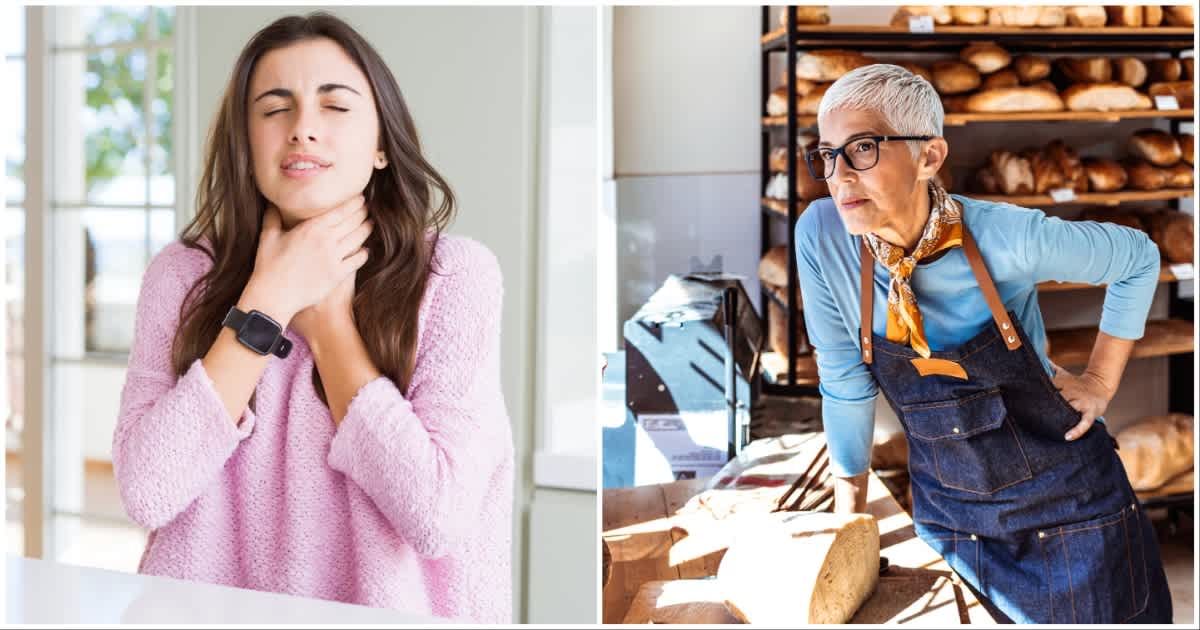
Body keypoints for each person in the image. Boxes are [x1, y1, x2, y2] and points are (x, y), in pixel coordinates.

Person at [112, 12, 512, 623]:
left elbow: (437, 513)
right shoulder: (182, 275)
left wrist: (329, 327)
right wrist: (268, 300)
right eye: (275, 109)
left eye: (335, 106)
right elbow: (148, 490)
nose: (302, 130)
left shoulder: (454, 278)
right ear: (246, 143)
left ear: (381, 143)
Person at [794, 63, 1172, 623]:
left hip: (1071, 521)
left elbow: (1137, 258)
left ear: (930, 157)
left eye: (864, 148)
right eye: (826, 154)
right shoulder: (823, 237)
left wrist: (1098, 382)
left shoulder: (1004, 237)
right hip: (950, 520)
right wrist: (848, 527)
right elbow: (846, 382)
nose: (840, 175)